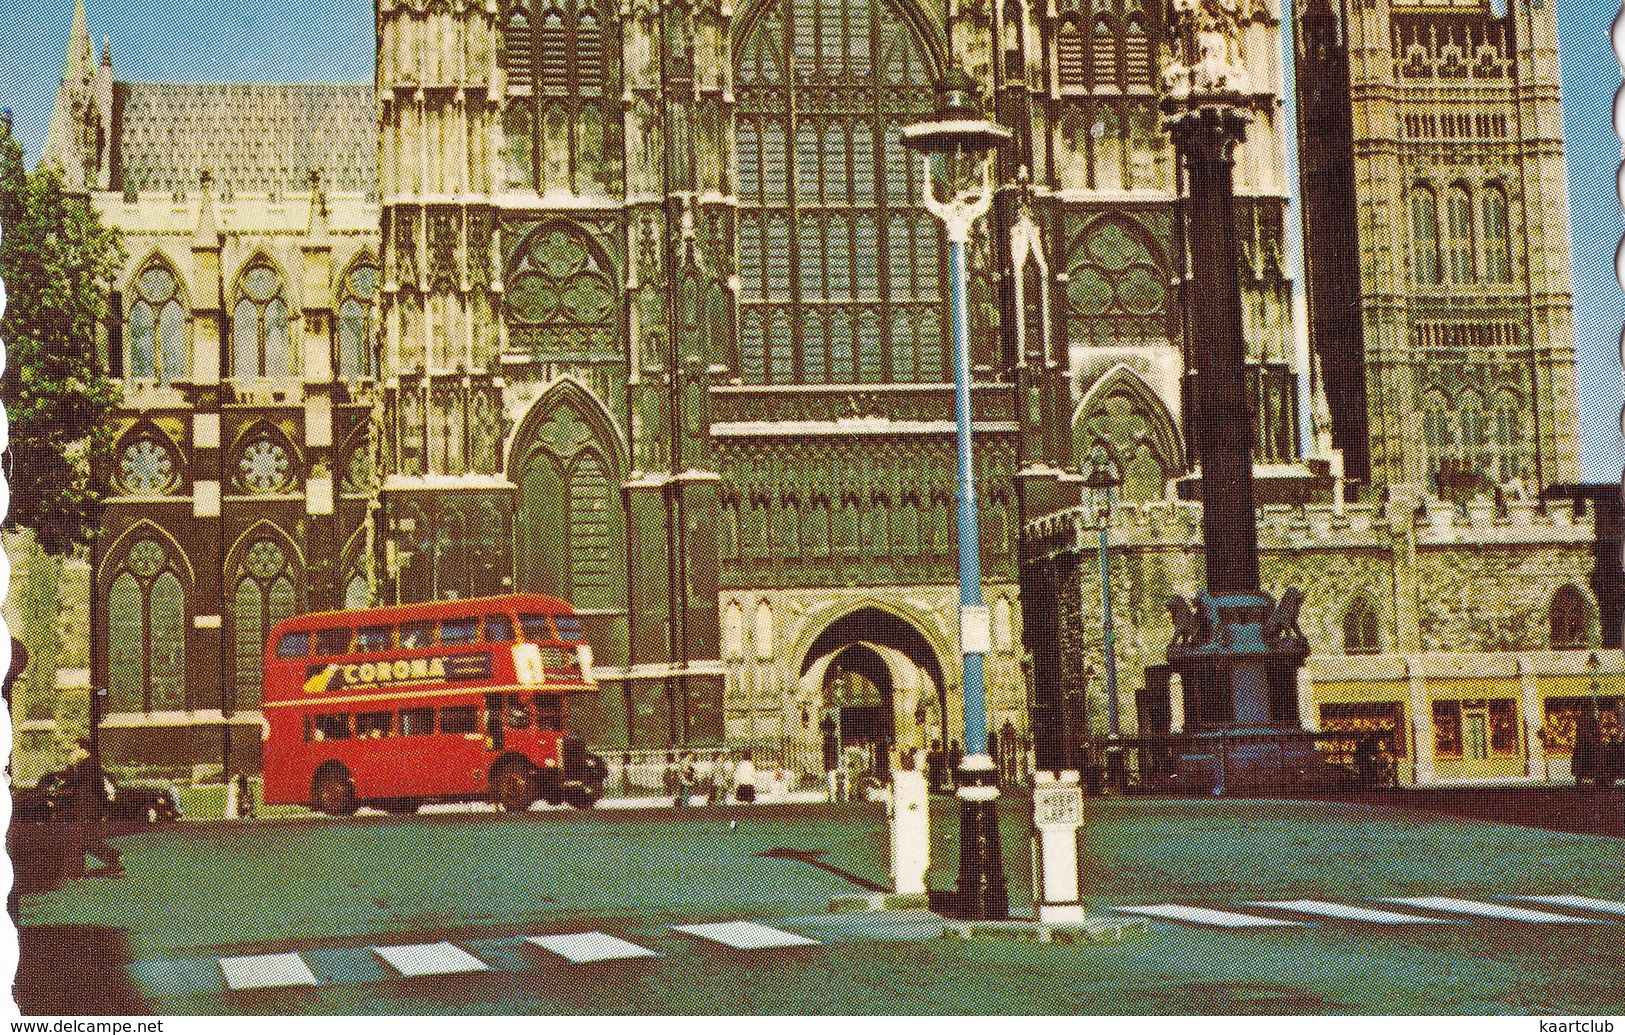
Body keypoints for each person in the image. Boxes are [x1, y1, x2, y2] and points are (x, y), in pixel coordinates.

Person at [62, 740, 122, 879]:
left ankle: (113, 857)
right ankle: (78, 872)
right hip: (82, 807)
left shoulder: (91, 765)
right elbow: (70, 782)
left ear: (85, 751)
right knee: (81, 840)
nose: (73, 752)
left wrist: (71, 765)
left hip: (89, 808)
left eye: (76, 749)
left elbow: (91, 786)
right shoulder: (84, 765)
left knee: (85, 839)